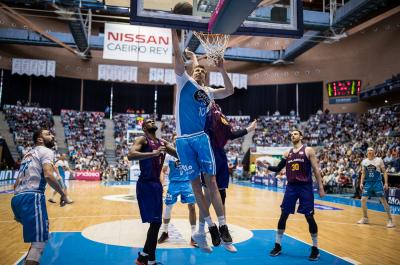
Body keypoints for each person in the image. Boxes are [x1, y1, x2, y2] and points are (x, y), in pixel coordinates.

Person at [172, 29, 234, 252]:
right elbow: (177, 58)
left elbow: (229, 90)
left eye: (201, 70)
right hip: (183, 140)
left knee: (213, 184)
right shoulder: (184, 82)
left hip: (200, 139)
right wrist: (173, 29)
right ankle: (210, 227)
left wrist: (222, 68)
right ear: (191, 71)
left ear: (204, 76)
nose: (198, 71)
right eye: (196, 69)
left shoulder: (208, 91)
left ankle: (223, 225)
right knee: (196, 188)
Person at [257, 129, 325, 261]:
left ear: (301, 136)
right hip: (291, 187)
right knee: (283, 215)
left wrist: (320, 187)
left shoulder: (308, 150)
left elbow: (316, 169)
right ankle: (278, 245)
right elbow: (277, 169)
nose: (293, 135)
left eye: (295, 134)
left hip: (305, 187)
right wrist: (264, 166)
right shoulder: (286, 153)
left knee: (309, 216)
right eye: (291, 134)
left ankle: (315, 248)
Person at [199, 103, 257, 252]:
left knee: (222, 196)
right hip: (207, 155)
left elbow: (231, 135)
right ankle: (200, 231)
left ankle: (224, 234)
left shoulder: (222, 118)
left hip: (220, 157)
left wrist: (249, 129)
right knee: (207, 197)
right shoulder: (202, 116)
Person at [11, 129, 68, 265]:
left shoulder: (27, 155)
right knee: (39, 243)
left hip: (17, 199)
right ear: (40, 140)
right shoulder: (46, 151)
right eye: (48, 134)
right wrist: (63, 194)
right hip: (32, 197)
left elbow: (16, 182)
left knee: (36, 240)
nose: (52, 135)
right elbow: (48, 175)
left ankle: (30, 258)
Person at [128, 119, 177, 265]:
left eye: (152, 120)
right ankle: (151, 261)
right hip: (146, 184)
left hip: (156, 185)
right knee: (155, 223)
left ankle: (143, 257)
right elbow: (130, 155)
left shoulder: (162, 142)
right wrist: (152, 153)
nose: (151, 121)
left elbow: (178, 153)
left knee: (156, 223)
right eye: (148, 121)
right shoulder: (143, 139)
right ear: (144, 128)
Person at [157, 135, 197, 247]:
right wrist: (161, 183)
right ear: (173, 141)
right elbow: (163, 170)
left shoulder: (188, 153)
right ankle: (165, 232)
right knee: (168, 206)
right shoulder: (169, 155)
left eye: (178, 139)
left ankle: (194, 234)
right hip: (173, 184)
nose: (177, 141)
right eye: (175, 139)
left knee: (192, 206)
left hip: (186, 183)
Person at [357, 147, 395, 228]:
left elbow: (384, 172)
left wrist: (386, 183)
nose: (370, 151)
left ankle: (390, 220)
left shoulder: (379, 160)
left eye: (371, 150)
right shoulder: (364, 161)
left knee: (383, 200)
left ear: (374, 152)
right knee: (363, 200)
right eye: (368, 150)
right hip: (368, 183)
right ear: (366, 152)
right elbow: (363, 173)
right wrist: (361, 183)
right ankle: (365, 218)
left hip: (377, 183)